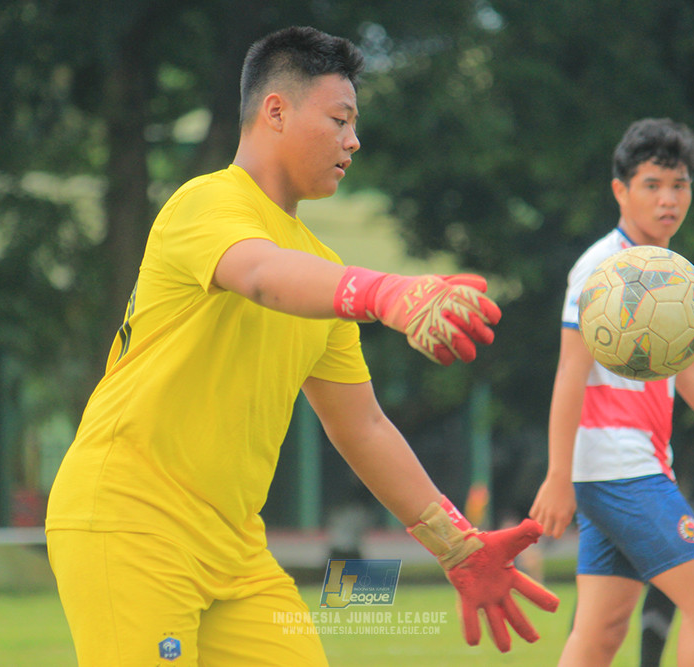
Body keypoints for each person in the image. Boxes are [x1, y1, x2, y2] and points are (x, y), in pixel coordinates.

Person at [45, 26, 557, 666]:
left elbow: (364, 427)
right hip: (130, 521)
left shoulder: (321, 266)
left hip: (234, 547)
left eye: (355, 124)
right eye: (340, 119)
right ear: (276, 111)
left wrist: (459, 544)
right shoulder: (204, 203)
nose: (354, 140)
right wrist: (383, 294)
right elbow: (261, 276)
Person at [529, 117, 694, 667]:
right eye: (652, 185)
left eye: (679, 185)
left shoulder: (663, 272)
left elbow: (691, 374)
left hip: (626, 467)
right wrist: (559, 476)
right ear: (620, 191)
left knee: (601, 630)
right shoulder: (605, 269)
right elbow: (569, 375)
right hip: (619, 469)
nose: (668, 199)